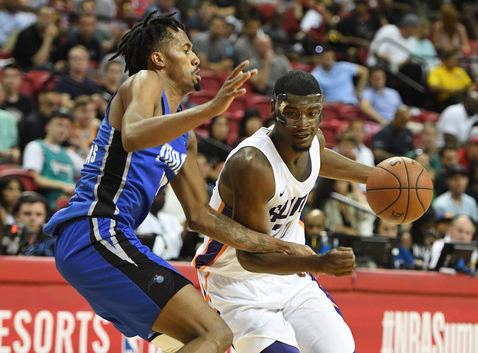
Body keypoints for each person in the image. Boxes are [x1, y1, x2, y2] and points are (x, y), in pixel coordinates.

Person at [43, 13, 311, 353]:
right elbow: (134, 134)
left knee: (208, 344)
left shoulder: (184, 138)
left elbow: (201, 216)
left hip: (108, 240)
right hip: (94, 230)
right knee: (215, 335)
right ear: (159, 59)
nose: (196, 58)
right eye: (185, 49)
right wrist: (212, 108)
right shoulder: (146, 82)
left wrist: (279, 245)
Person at [194, 70, 374, 353]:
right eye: (292, 113)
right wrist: (319, 264)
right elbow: (252, 257)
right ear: (274, 109)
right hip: (237, 284)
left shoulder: (313, 142)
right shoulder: (253, 164)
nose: (303, 123)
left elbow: (319, 158)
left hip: (291, 278)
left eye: (312, 113)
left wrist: (376, 178)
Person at [22, 108, 84, 210]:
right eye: (59, 124)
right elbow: (35, 178)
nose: (63, 130)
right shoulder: (36, 147)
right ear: (48, 126)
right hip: (46, 204)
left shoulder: (68, 153)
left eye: (67, 127)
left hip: (70, 203)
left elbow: (92, 170)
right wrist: (64, 186)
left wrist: (82, 145)